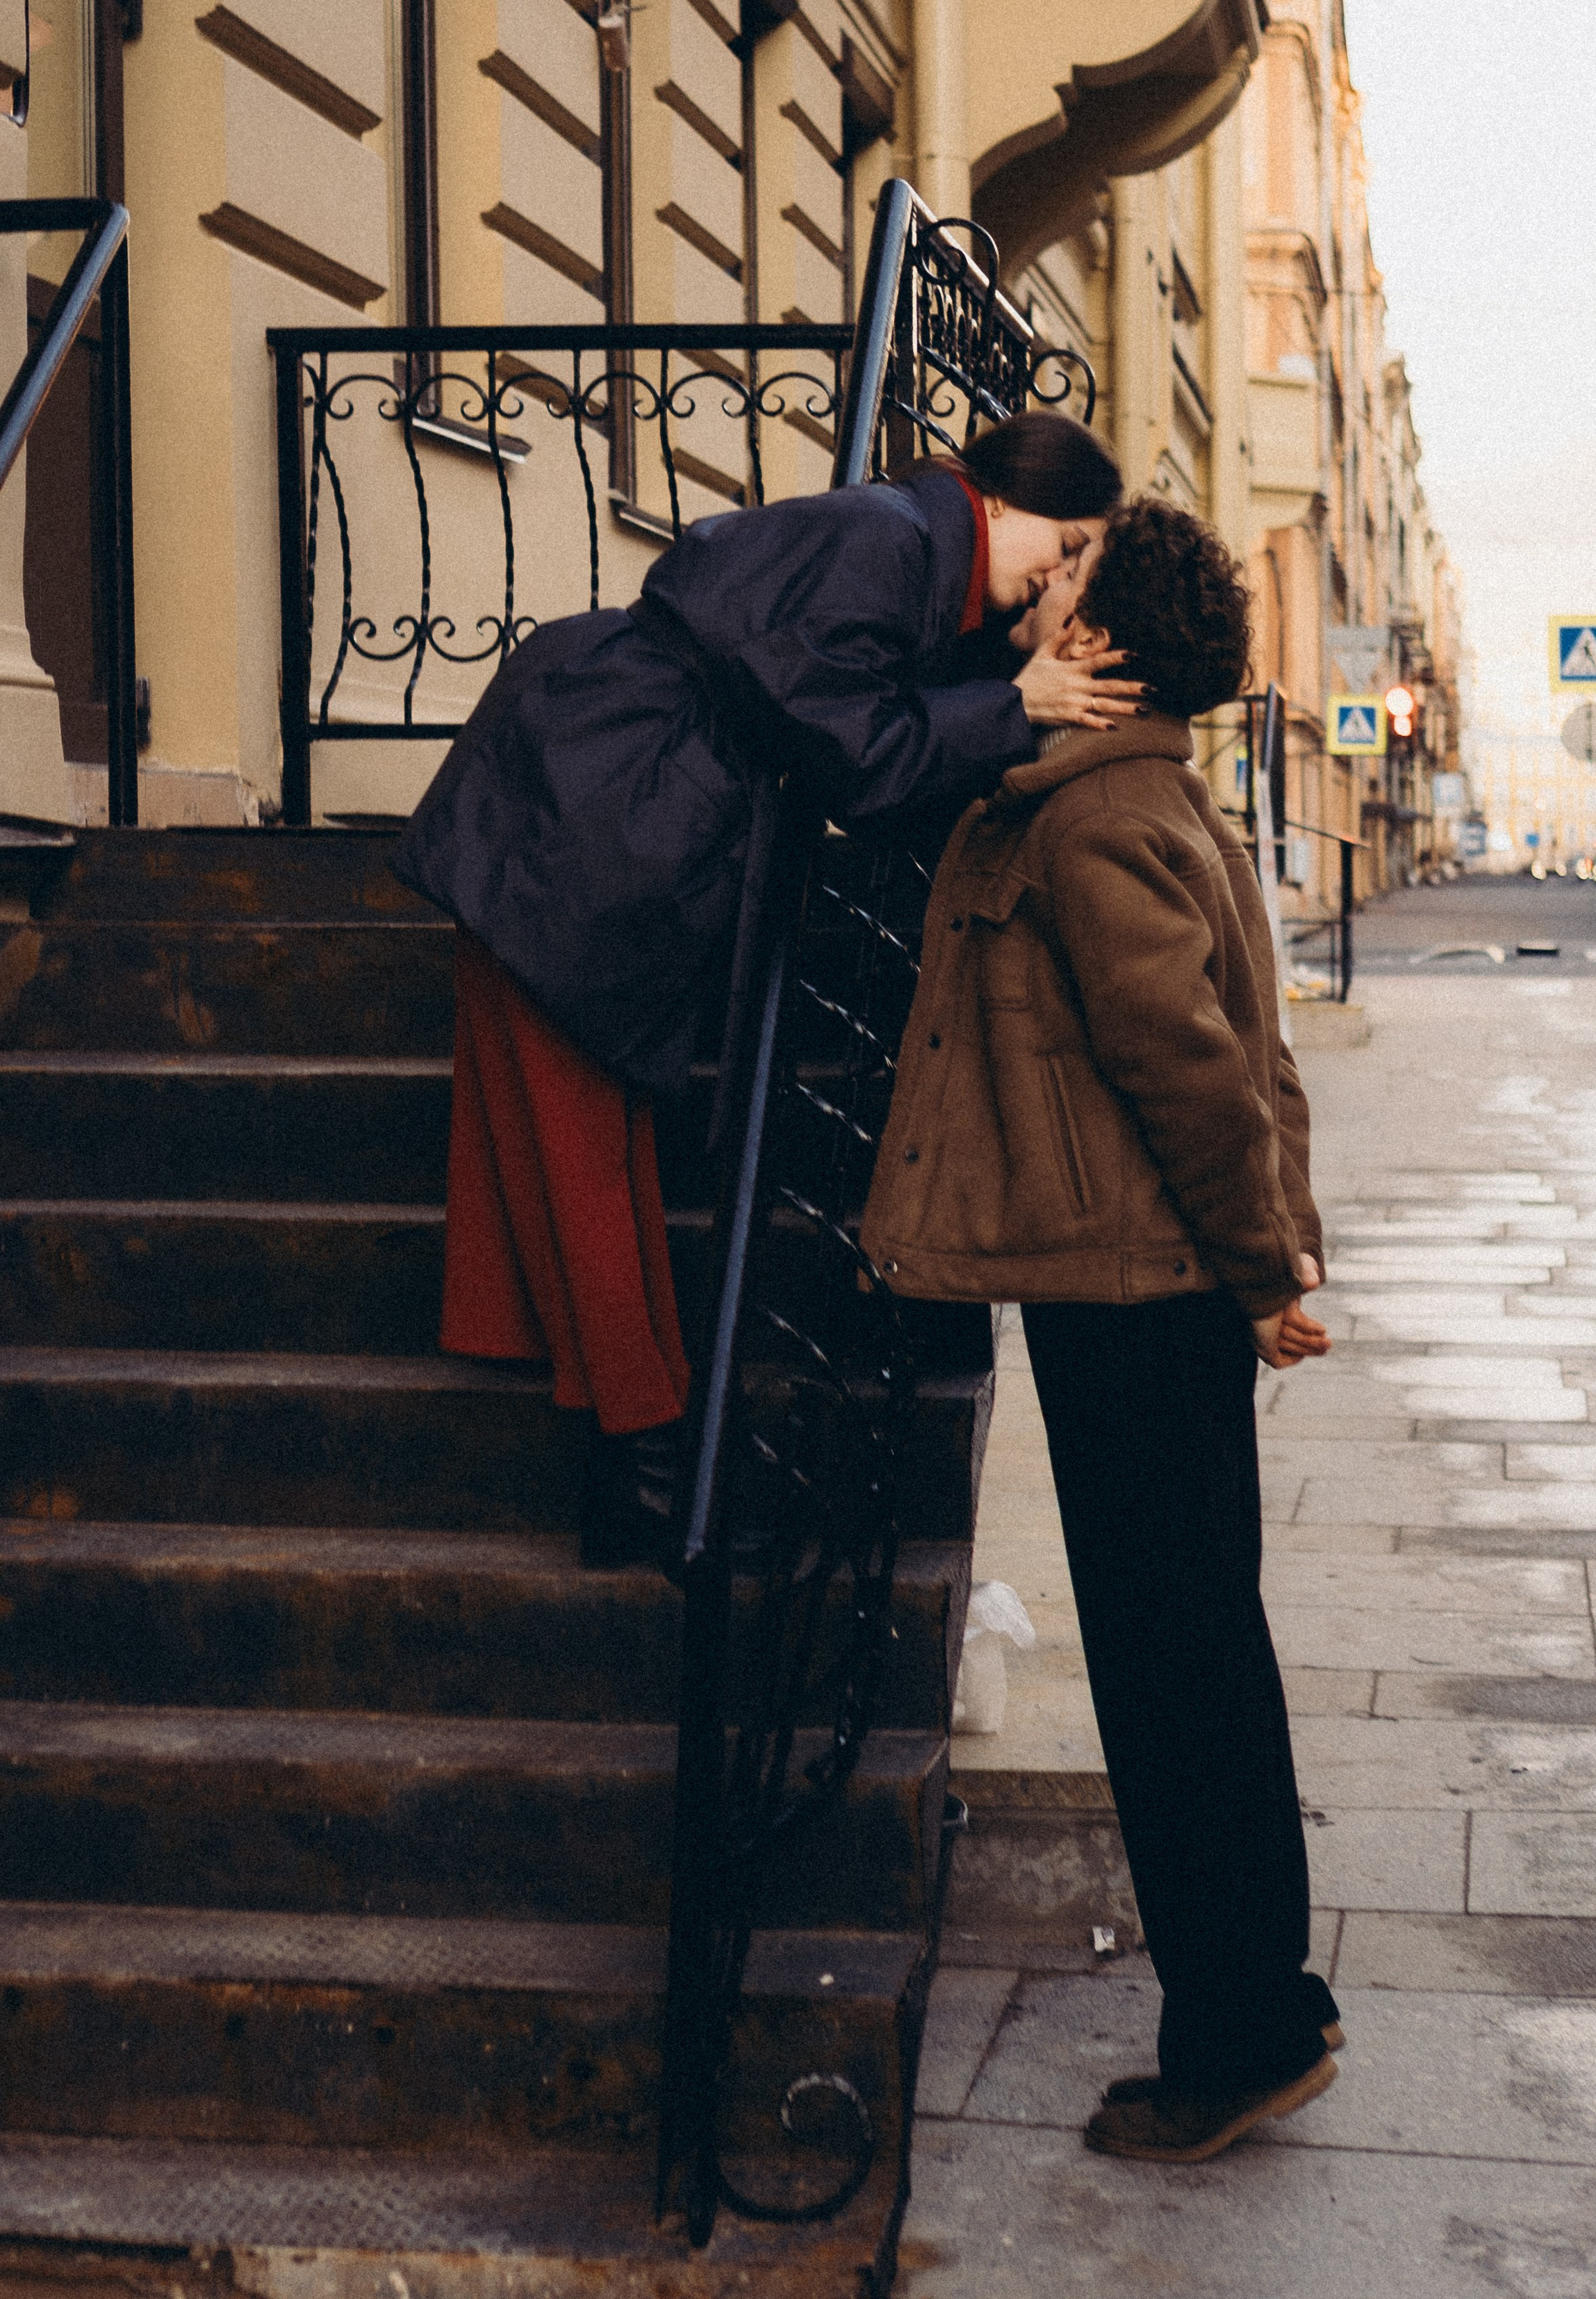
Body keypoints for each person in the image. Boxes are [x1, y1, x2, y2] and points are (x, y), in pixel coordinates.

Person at [394, 411, 1140, 1557]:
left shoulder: (909, 549)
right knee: (577, 1150)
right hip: (590, 797)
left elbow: (860, 719)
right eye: (1070, 540)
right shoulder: (890, 540)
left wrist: (1009, 687)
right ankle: (644, 1472)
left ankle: (645, 1462)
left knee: (585, 1148)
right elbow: (858, 749)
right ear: (1002, 496)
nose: (1065, 568)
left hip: (601, 786)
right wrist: (1015, 705)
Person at [860, 495, 1338, 2163]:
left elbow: (1200, 1071)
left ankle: (1237, 2029)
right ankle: (1268, 1994)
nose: (1031, 591)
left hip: (1133, 1296)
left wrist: (1265, 1269)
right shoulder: (1114, 798)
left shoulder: (1090, 823)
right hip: (1141, 1288)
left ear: (1107, 642)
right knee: (1199, 1640)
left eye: (1062, 578)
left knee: (1171, 1664)